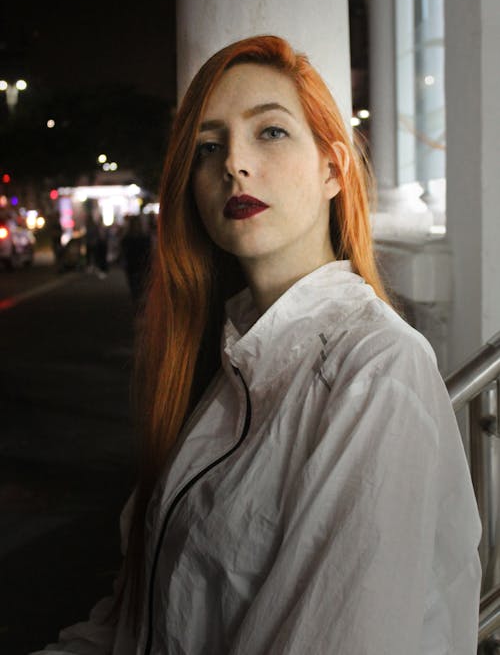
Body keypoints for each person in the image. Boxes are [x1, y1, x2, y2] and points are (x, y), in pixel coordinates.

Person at [33, 36, 481, 655]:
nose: (234, 165)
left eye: (269, 132)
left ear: (332, 167)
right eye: (208, 147)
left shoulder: (374, 372)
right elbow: (134, 621)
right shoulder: (224, 364)